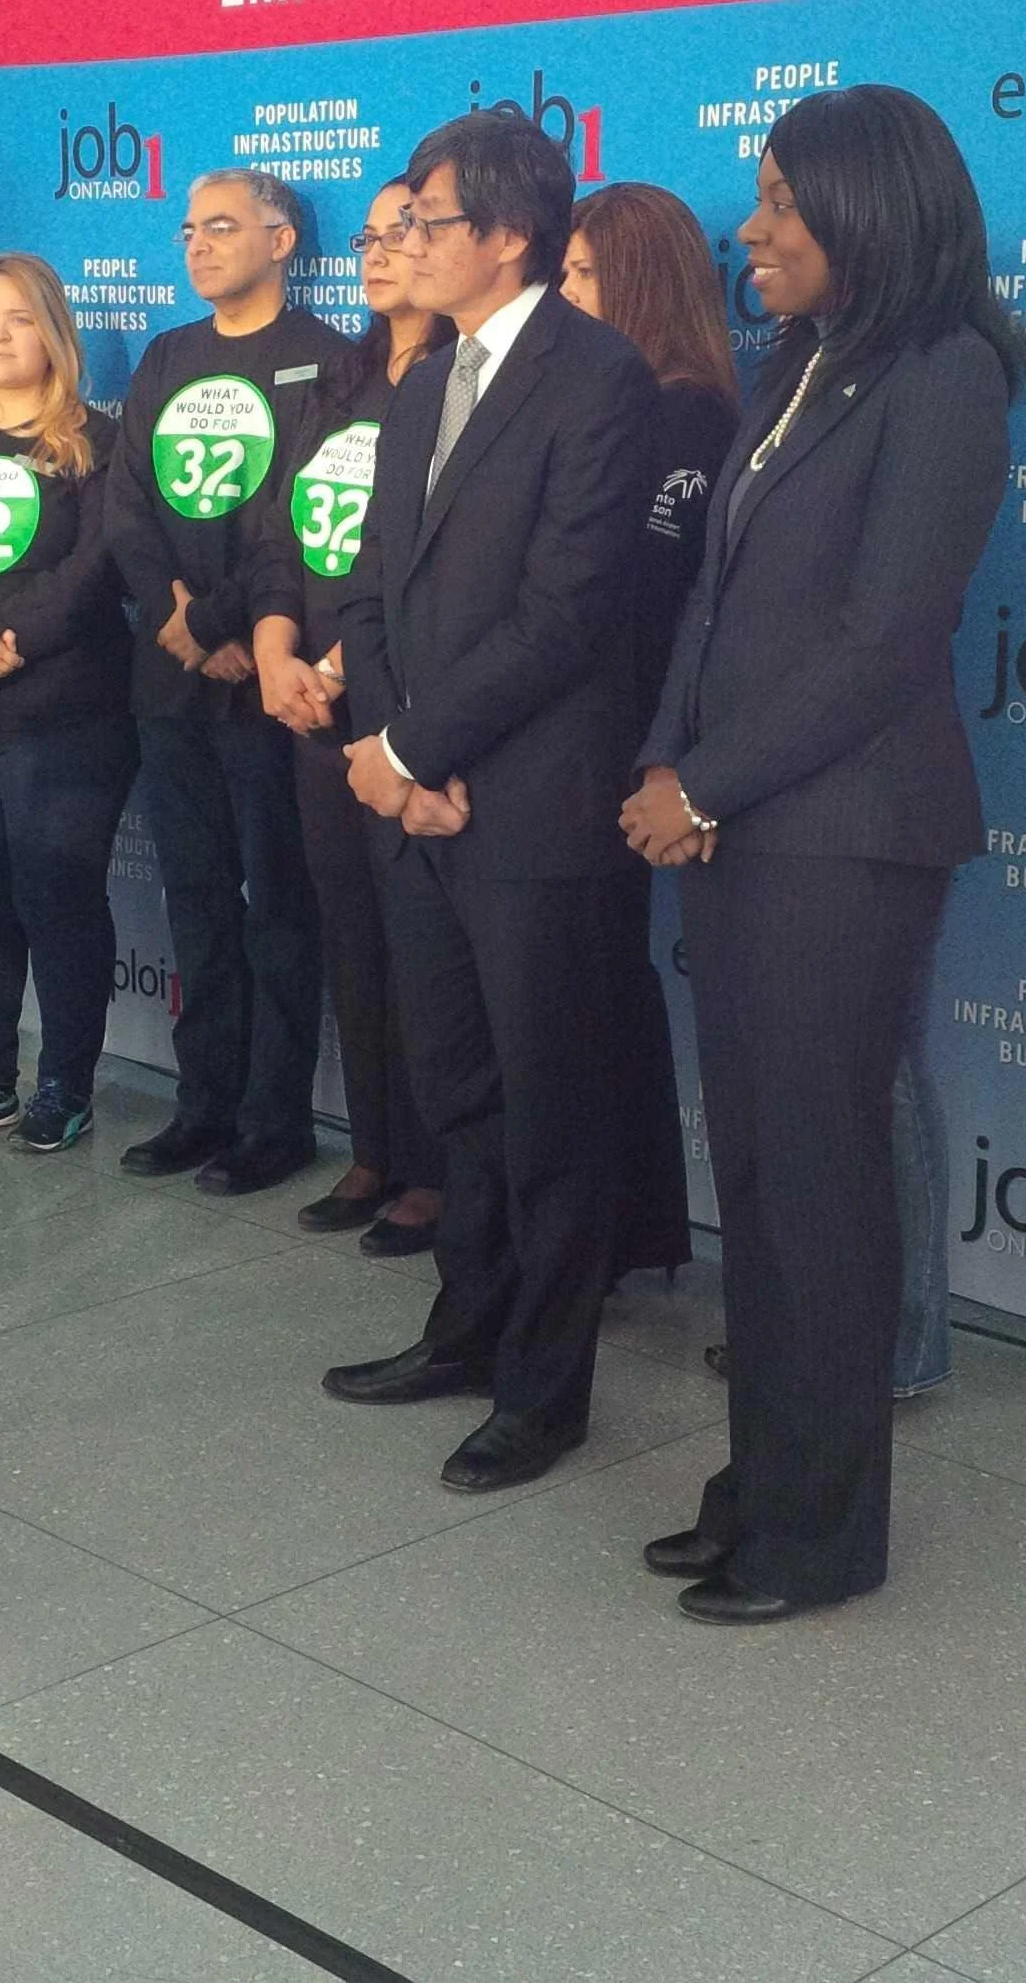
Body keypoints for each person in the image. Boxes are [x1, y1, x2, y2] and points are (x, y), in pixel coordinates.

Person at [622, 84, 1025, 1623]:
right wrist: (670, 755)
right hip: (746, 826)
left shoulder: (946, 377)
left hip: (845, 843)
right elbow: (719, 603)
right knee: (766, 1187)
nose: (753, 229)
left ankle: (821, 1538)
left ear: (867, 210)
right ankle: (758, 1489)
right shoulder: (806, 363)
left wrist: (706, 783)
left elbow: (880, 642)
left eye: (782, 203)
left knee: (820, 1192)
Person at [323, 109, 659, 1495]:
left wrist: (412, 753)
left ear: (508, 234)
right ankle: (464, 1329)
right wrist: (388, 749)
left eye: (427, 221)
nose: (403, 243)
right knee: (454, 1091)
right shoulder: (418, 383)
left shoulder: (602, 379)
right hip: (425, 803)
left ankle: (545, 1387)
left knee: (550, 1109)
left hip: (535, 813)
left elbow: (568, 613)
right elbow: (372, 584)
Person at [103, 168, 336, 1197]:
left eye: (223, 227)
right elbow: (128, 515)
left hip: (271, 686)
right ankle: (203, 1106)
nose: (197, 244)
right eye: (188, 229)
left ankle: (275, 1120)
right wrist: (184, 628)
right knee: (196, 901)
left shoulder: (331, 363)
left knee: (278, 905)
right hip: (174, 683)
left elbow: (304, 518)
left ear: (282, 240)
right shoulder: (166, 355)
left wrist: (230, 627)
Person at [251, 178, 455, 1256]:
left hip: (403, 705)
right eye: (369, 239)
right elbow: (284, 536)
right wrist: (279, 648)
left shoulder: (466, 381)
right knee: (352, 934)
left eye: (402, 233)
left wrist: (335, 661)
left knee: (421, 941)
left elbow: (422, 562)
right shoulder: (336, 378)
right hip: (311, 702)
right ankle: (374, 1147)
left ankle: (435, 1165)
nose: (379, 254)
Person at [559, 181, 742, 1285]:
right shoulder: (614, 405)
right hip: (585, 731)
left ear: (637, 281)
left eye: (584, 275)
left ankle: (626, 1229)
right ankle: (623, 1229)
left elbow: (638, 591)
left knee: (598, 985)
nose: (565, 295)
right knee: (595, 983)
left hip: (622, 738)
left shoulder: (687, 416)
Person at [0, 253, 135, 1155]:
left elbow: (93, 572)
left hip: (67, 710)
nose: (1, 334)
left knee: (58, 896)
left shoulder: (98, 440)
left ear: (52, 331)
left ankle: (65, 1081)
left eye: (19, 318)